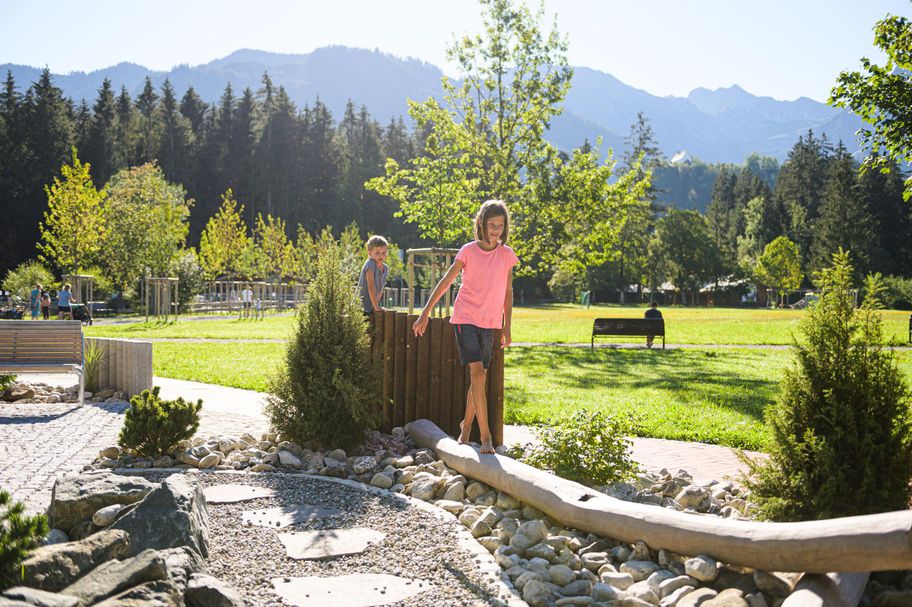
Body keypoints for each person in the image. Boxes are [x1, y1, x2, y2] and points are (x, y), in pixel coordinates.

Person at [413, 200, 518, 455]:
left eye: (501, 226)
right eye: (492, 224)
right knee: (478, 374)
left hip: (490, 323)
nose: (496, 230)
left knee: (478, 377)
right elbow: (446, 281)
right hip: (466, 318)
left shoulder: (506, 255)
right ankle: (485, 438)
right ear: (481, 224)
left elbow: (508, 292)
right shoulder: (468, 251)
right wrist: (425, 313)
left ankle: (466, 425)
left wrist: (506, 327)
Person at [358, 235, 389, 316]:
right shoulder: (370, 263)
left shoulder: (385, 268)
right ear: (369, 252)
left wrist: (376, 306)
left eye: (383, 253)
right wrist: (375, 306)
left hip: (370, 307)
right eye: (377, 252)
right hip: (361, 307)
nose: (381, 255)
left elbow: (380, 289)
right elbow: (370, 286)